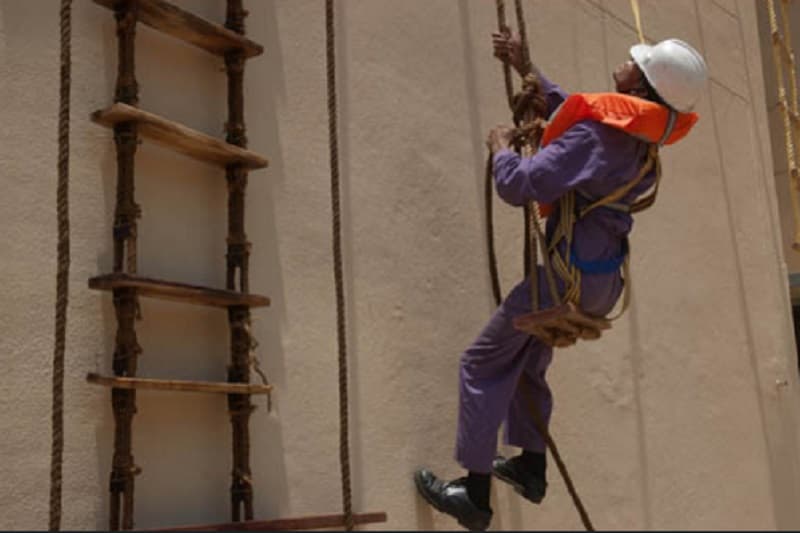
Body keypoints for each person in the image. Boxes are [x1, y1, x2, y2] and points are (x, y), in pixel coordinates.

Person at [414, 30, 708, 531]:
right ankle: (531, 466)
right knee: (526, 359)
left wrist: (502, 149)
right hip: (600, 280)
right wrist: (531, 70)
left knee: (482, 362)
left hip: (568, 276)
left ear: (641, 86)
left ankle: (474, 494)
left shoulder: (598, 137)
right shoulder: (641, 142)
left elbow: (521, 185)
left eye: (634, 63)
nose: (624, 61)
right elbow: (584, 111)